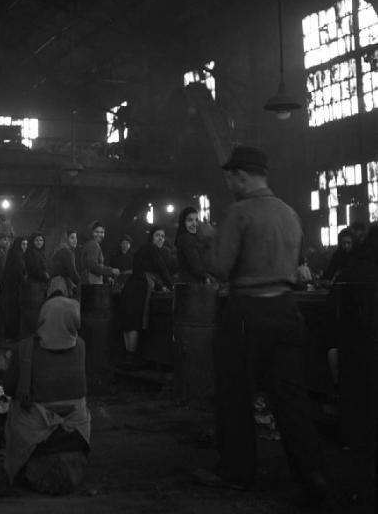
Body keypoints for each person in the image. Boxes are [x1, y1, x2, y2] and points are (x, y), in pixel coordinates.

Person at [193, 145, 327, 501]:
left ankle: (237, 472)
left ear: (240, 176)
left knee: (235, 395)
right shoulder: (289, 213)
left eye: (230, 178)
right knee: (291, 398)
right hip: (286, 311)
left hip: (247, 313)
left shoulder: (239, 213)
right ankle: (311, 474)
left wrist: (208, 239)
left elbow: (220, 267)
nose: (229, 185)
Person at [2, 287, 90, 495]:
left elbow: (8, 388)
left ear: (43, 317)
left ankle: (19, 462)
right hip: (76, 432)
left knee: (15, 407)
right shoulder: (82, 347)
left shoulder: (23, 349)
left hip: (36, 432)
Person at [117, 225, 173, 367]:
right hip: (141, 286)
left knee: (128, 323)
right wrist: (171, 285)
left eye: (162, 236)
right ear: (151, 237)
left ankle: (128, 357)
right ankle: (132, 358)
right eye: (157, 235)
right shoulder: (152, 248)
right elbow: (160, 268)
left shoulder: (141, 250)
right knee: (136, 322)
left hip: (130, 285)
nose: (161, 238)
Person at [0, 237, 27, 342]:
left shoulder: (16, 254)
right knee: (13, 313)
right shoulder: (17, 256)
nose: (25, 246)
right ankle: (11, 336)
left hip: (11, 288)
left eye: (26, 244)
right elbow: (18, 272)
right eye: (23, 244)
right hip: (12, 288)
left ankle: (10, 335)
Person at [175, 207, 213, 284]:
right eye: (190, 220)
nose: (194, 224)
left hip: (190, 284)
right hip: (193, 285)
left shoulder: (191, 238)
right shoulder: (186, 238)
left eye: (196, 220)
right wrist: (207, 276)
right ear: (183, 222)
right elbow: (195, 263)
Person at [48, 230, 80, 298]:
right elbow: (72, 272)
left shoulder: (60, 250)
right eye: (72, 238)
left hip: (55, 284)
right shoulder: (66, 252)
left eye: (76, 238)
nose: (75, 240)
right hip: (60, 286)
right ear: (66, 239)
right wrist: (81, 284)